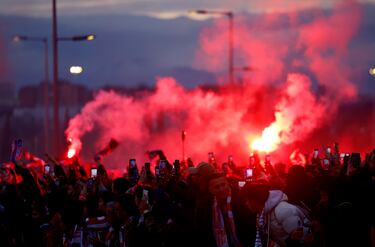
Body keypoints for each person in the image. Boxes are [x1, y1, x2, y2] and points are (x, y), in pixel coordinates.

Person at [242, 183, 311, 247]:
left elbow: (302, 239)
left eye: (247, 200)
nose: (246, 204)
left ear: (254, 201)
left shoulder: (283, 210)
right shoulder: (264, 214)